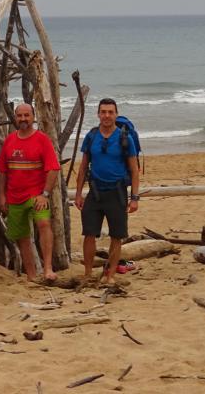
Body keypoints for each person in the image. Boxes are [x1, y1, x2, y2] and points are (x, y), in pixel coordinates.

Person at [75, 98, 139, 284]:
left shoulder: (124, 138)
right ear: (98, 114)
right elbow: (83, 167)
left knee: (116, 236)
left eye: (110, 112)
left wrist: (134, 198)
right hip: (94, 192)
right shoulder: (92, 136)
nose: (107, 116)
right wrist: (78, 194)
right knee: (88, 234)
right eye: (103, 112)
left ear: (116, 114)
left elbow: (134, 170)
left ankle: (110, 275)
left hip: (117, 192)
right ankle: (87, 273)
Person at [0, 103, 61, 282]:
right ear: (15, 118)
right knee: (22, 236)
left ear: (33, 117)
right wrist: (1, 195)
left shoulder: (42, 139)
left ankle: (48, 268)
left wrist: (45, 194)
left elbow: (54, 169)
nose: (23, 119)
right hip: (14, 196)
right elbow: (3, 170)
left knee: (43, 224)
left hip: (36, 195)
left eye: (27, 115)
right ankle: (31, 275)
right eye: (20, 116)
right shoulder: (10, 140)